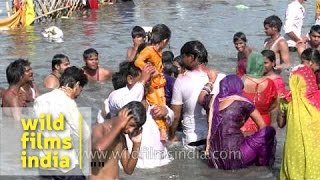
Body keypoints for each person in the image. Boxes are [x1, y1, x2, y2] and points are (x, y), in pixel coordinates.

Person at [198, 74, 276, 170]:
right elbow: (263, 126)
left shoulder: (213, 100)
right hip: (236, 156)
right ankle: (263, 166)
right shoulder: (243, 102)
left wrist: (211, 81)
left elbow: (201, 98)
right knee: (269, 131)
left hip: (214, 156)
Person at [106, 62, 173, 169]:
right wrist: (142, 82)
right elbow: (128, 105)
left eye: (150, 80)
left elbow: (170, 118)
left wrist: (166, 111)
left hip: (161, 162)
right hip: (136, 166)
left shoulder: (152, 96)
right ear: (130, 79)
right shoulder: (117, 95)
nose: (148, 83)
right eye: (146, 80)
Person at [34, 66, 90, 180]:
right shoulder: (68, 102)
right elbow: (84, 134)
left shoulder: (39, 100)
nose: (79, 94)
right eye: (80, 89)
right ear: (77, 85)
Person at [170, 40, 217, 149]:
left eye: (183, 57)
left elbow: (175, 115)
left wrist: (171, 136)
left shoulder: (181, 81)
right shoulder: (219, 78)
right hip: (213, 138)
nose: (181, 60)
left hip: (192, 139)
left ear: (191, 57)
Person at [280, 64, 320, 179]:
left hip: (294, 150)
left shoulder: (286, 100)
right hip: (316, 148)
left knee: (295, 171)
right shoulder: (318, 97)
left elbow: (280, 124)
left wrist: (281, 108)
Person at [134, 24, 171, 142]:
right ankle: (162, 130)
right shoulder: (148, 50)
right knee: (156, 105)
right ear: (164, 41)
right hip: (152, 84)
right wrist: (149, 71)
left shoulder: (157, 52)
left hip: (159, 84)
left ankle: (164, 128)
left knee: (162, 104)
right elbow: (138, 61)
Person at [91, 101, 146, 180]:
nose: (131, 130)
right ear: (122, 115)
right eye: (132, 125)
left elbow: (128, 170)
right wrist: (118, 125)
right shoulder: (99, 128)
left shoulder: (121, 138)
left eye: (135, 128)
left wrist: (136, 144)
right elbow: (98, 148)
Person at [241, 52, 278, 133]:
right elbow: (274, 106)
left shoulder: (241, 81)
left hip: (244, 125)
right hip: (264, 123)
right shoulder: (270, 83)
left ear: (249, 64)